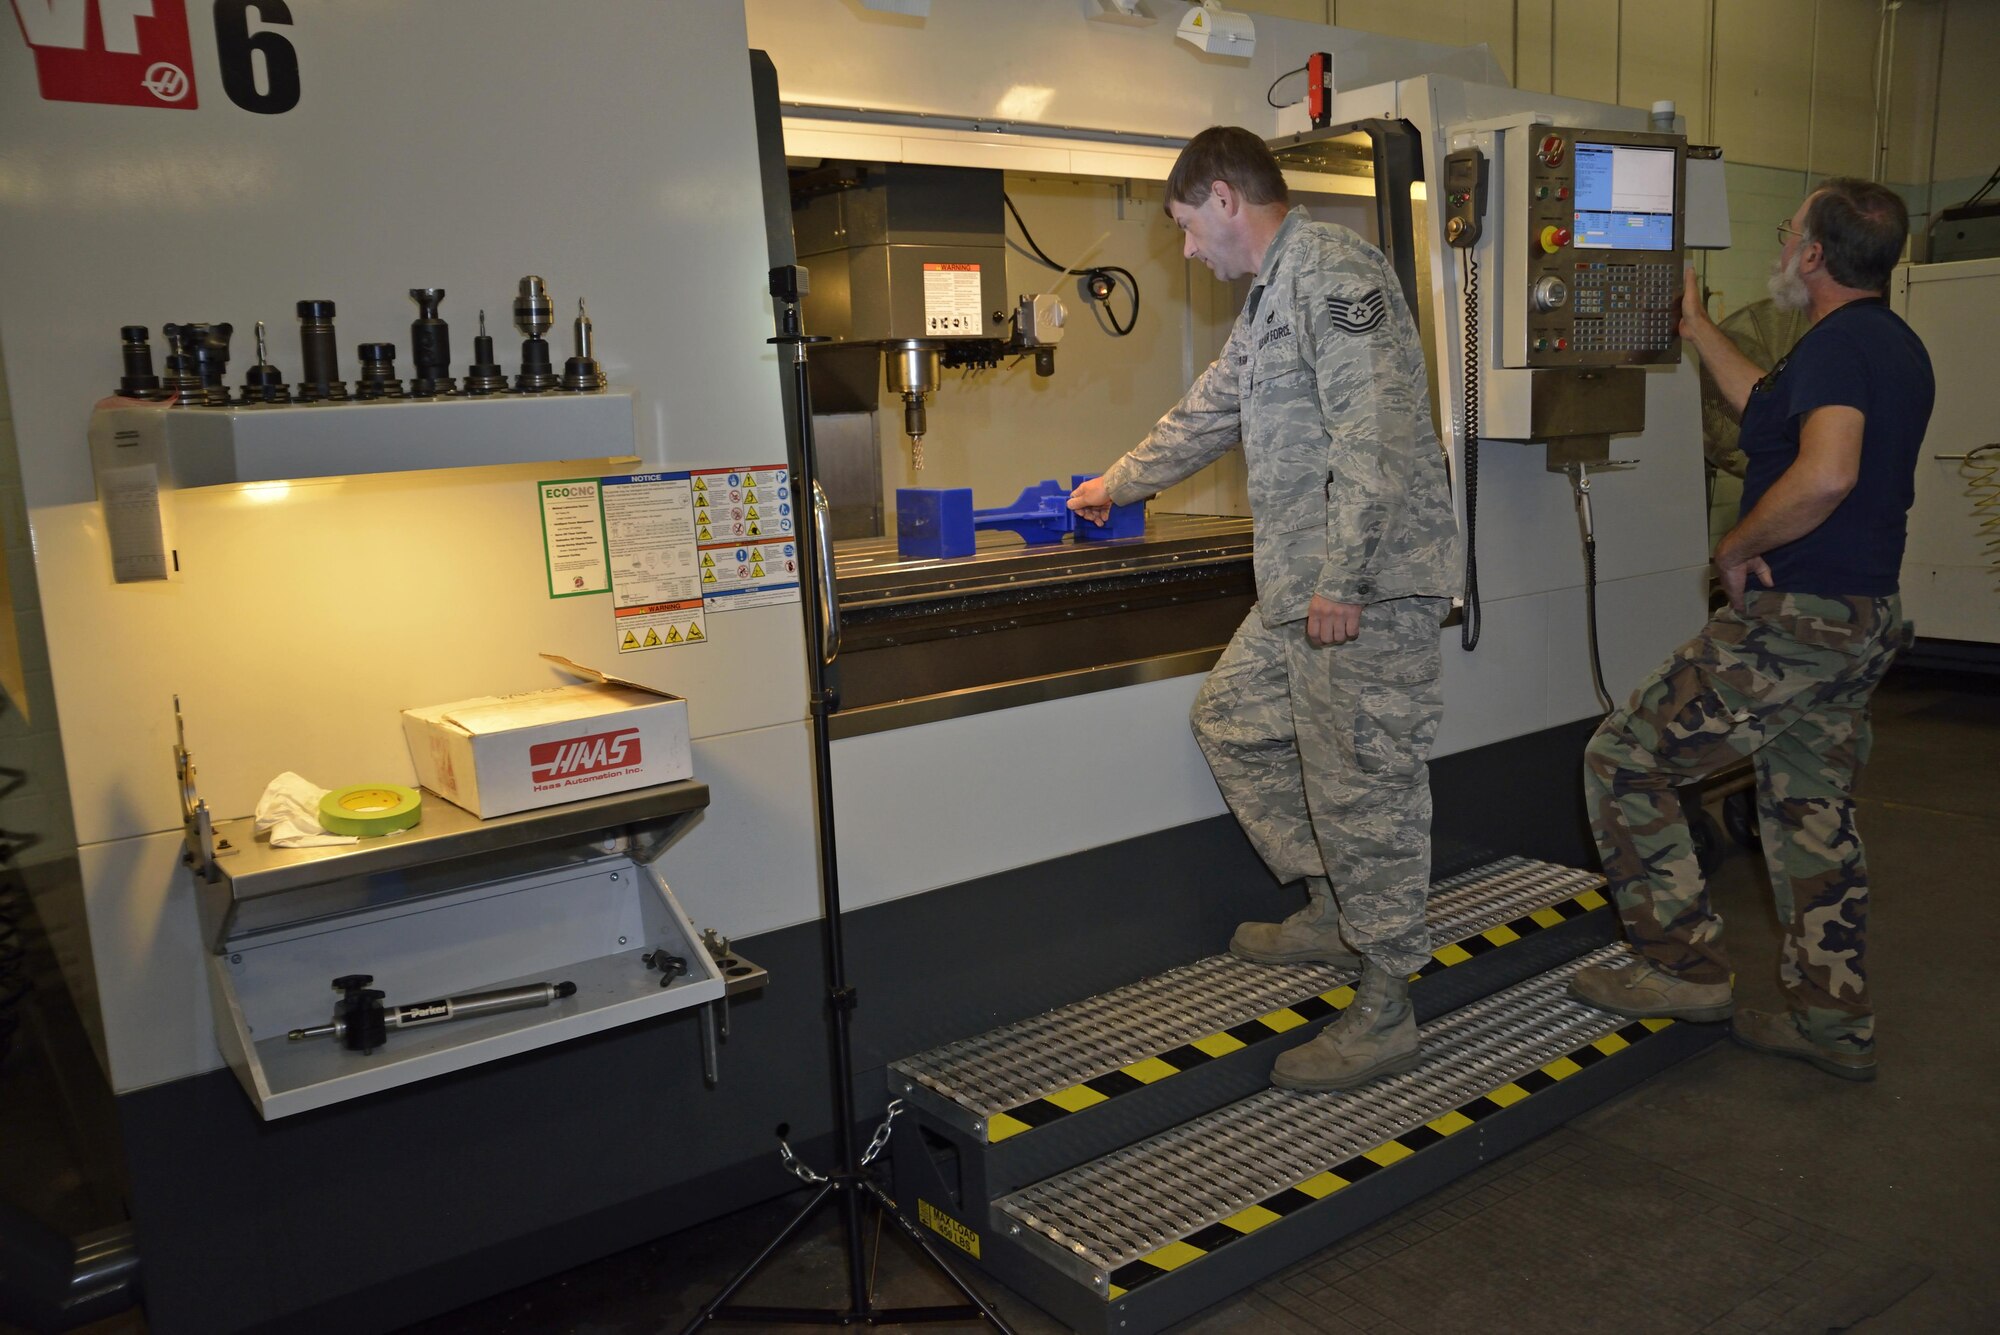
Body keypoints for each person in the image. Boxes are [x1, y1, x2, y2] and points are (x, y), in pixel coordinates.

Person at [1068, 126, 1459, 1091]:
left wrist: (1344, 577)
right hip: (1300, 591)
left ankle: (1387, 1005)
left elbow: (1375, 434)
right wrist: (1117, 483)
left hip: (1356, 594)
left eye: (1188, 229)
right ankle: (1333, 908)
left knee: (1365, 792)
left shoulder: (1332, 269)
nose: (1189, 251)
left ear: (1224, 197)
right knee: (1233, 722)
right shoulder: (1271, 294)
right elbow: (1212, 408)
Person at [1569, 178, 1932, 1083]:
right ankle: (1831, 1020)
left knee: (1624, 758)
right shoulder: (1882, 344)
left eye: (1787, 233)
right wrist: (1693, 326)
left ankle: (1681, 967)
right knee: (1810, 812)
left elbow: (1826, 475)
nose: (1779, 244)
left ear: (1813, 256)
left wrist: (1734, 547)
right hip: (1863, 617)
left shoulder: (1840, 348)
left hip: (1799, 620)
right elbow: (1768, 408)